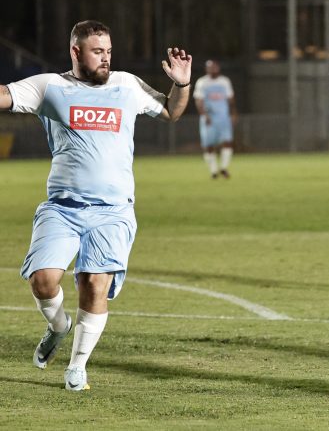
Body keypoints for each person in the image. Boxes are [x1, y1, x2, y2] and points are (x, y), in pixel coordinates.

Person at [2, 20, 192, 391]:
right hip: (62, 208)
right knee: (43, 280)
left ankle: (77, 366)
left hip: (113, 211)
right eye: (97, 51)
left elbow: (172, 111)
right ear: (76, 51)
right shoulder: (50, 87)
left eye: (108, 51)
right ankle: (58, 326)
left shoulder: (127, 85)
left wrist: (182, 84)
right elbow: (4, 95)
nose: (106, 58)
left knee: (94, 284)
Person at [193, 59, 237, 179]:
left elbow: (230, 99)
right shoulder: (202, 82)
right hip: (209, 118)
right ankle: (213, 171)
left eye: (214, 67)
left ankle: (223, 168)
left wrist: (233, 113)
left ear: (218, 68)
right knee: (209, 145)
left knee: (227, 142)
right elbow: (199, 100)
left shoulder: (224, 81)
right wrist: (204, 115)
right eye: (210, 67)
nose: (213, 69)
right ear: (206, 69)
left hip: (223, 117)